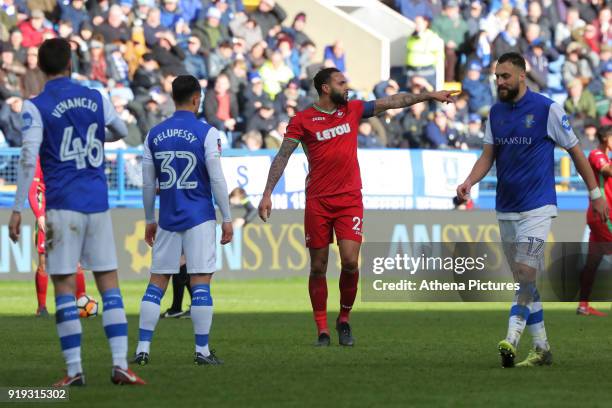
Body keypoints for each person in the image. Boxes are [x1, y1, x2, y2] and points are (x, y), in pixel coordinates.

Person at [258, 67, 456, 347]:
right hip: (318, 201)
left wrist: (428, 96)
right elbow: (282, 156)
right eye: (341, 83)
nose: (347, 87)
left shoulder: (351, 110)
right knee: (318, 266)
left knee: (350, 262)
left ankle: (344, 319)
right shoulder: (302, 120)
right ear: (326, 88)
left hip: (350, 199)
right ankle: (322, 329)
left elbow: (392, 101)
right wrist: (267, 192)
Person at [456, 52, 608, 368]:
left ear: (522, 76)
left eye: (505, 76)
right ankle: (542, 348)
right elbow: (488, 156)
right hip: (506, 208)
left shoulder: (547, 109)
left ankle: (511, 339)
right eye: (497, 76)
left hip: (538, 207)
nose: (499, 82)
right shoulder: (495, 113)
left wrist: (595, 193)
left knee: (525, 272)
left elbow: (576, 152)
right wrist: (469, 181)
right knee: (525, 282)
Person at [8, 38, 145, 386]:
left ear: (39, 68)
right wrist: (94, 135)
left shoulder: (34, 106)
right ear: (71, 63)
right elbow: (121, 131)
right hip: (97, 203)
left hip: (60, 209)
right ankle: (119, 366)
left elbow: (27, 158)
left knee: (65, 288)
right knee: (109, 286)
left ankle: (74, 371)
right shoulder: (96, 97)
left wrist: (17, 208)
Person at [133, 75, 232, 366]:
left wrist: (150, 218)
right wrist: (227, 217)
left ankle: (142, 349)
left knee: (157, 282)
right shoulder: (208, 133)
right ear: (196, 98)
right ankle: (201, 351)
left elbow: (148, 185)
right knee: (201, 281)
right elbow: (217, 179)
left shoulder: (154, 134)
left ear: (172, 97)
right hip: (200, 216)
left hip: (168, 217)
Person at [29, 157, 88, 317]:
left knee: (75, 261)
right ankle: (41, 308)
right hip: (46, 216)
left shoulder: (67, 157)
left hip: (67, 214)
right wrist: (39, 216)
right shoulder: (38, 159)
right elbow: (32, 191)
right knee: (43, 263)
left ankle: (82, 303)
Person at [577, 125, 612, 317]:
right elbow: (607, 171)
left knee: (592, 262)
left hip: (602, 216)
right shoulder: (597, 154)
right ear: (607, 138)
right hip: (603, 216)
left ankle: (583, 304)